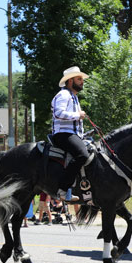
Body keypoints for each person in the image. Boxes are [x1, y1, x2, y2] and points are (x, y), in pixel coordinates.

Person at [51, 66, 91, 203]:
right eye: (79, 79)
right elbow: (58, 113)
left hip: (73, 134)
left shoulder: (74, 97)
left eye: (82, 79)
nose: (82, 82)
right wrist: (77, 115)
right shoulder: (64, 95)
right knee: (82, 155)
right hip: (63, 134)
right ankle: (62, 189)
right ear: (70, 81)